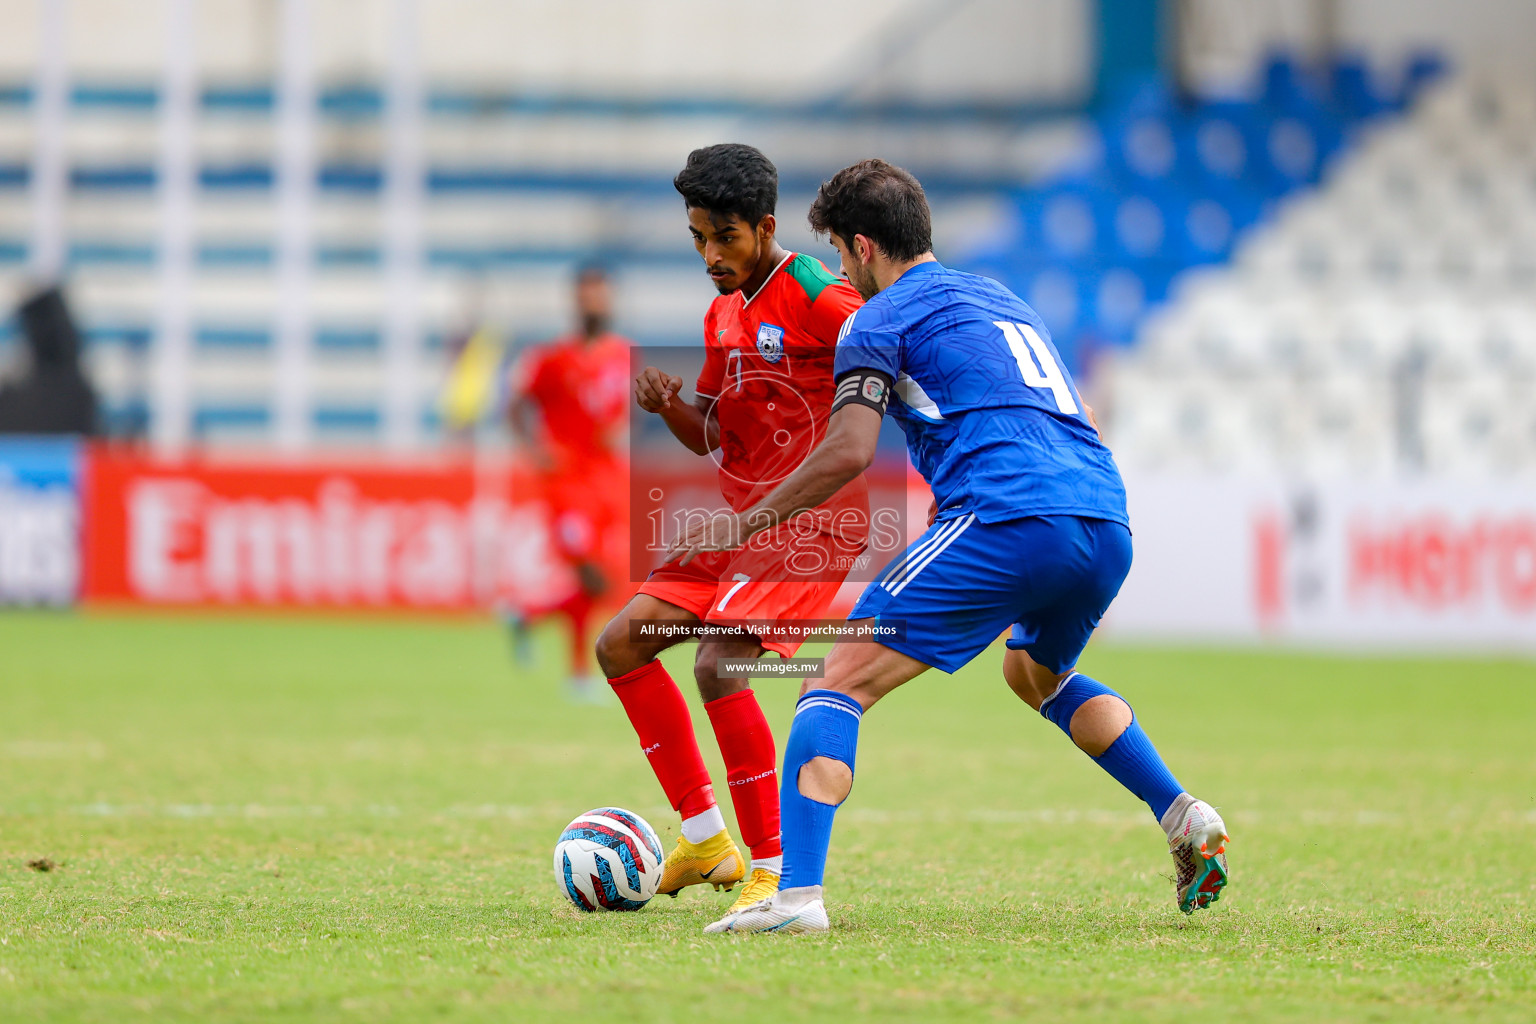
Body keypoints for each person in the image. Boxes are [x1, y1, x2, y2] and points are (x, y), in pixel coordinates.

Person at [664, 159, 1229, 935]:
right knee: (1033, 673)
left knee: (835, 675)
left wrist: (742, 522)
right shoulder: (1004, 300)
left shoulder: (877, 318)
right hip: (1104, 515)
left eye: (837, 253)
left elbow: (848, 452)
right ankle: (1181, 813)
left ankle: (794, 899)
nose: (837, 272)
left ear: (863, 247)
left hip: (1007, 515)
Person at [593, 144, 867, 914]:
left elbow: (888, 358)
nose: (711, 255)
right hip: (741, 525)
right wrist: (668, 405)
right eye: (697, 239)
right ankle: (707, 837)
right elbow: (712, 430)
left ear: (766, 226)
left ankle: (775, 868)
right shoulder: (721, 312)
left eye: (726, 237)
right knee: (620, 644)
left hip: (814, 523)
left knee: (719, 665)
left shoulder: (819, 294)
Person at [507, 264, 633, 699]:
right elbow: (515, 403)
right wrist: (534, 449)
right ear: (575, 301)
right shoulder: (553, 358)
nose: (594, 302)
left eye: (600, 294)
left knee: (603, 581)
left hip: (608, 481)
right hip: (566, 483)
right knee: (590, 576)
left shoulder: (623, 354)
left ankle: (528, 615)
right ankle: (578, 673)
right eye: (586, 295)